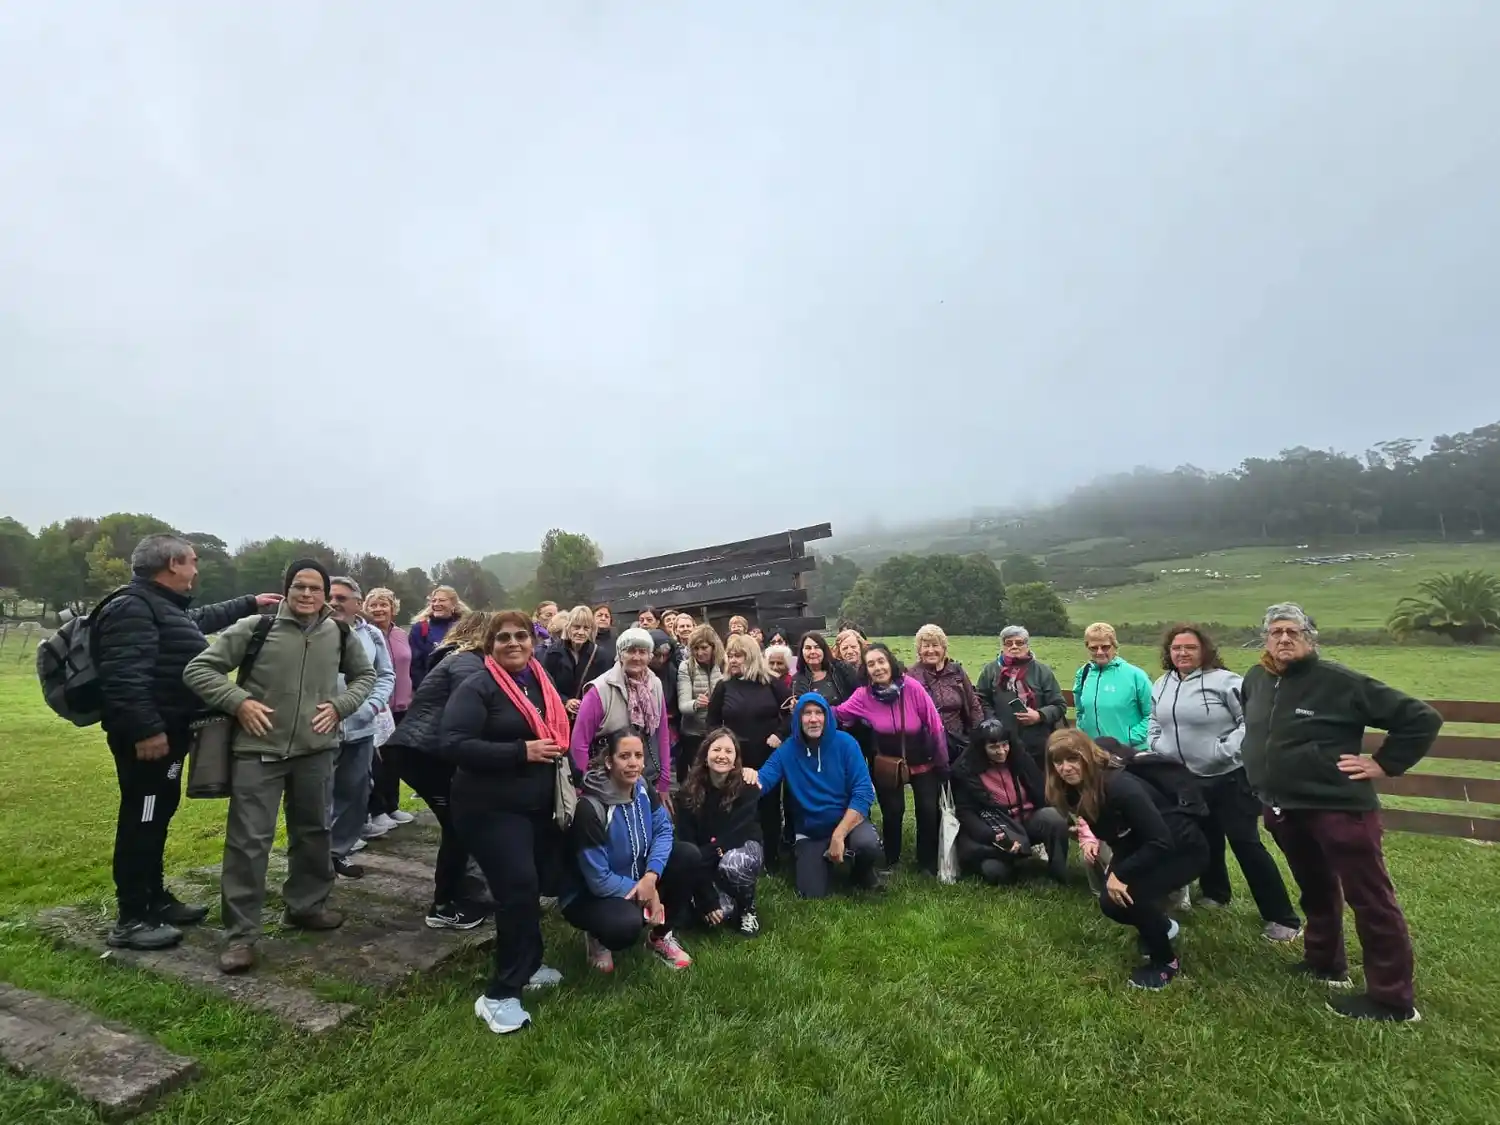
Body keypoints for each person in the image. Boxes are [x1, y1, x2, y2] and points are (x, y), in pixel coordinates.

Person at [1242, 603, 1441, 1022]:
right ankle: (1325, 964)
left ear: (1309, 637)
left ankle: (1392, 999)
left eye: (1292, 632)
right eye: (1275, 632)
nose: (1283, 639)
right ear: (1265, 639)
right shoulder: (1256, 679)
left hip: (1338, 808)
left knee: (1370, 900)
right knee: (1315, 889)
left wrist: (1385, 763)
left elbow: (1420, 718)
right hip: (1283, 806)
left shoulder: (1339, 682)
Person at [183, 559, 376, 975]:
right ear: (286, 589)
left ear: (326, 594)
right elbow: (199, 668)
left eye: (315, 588)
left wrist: (341, 707)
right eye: (299, 587)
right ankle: (241, 936)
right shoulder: (257, 627)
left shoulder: (339, 632)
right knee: (248, 844)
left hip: (316, 751)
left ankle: (306, 907)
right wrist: (240, 702)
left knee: (314, 832)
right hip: (258, 752)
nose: (307, 595)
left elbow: (366, 676)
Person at [92, 533, 278, 950]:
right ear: (173, 564)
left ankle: (154, 898)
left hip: (169, 734)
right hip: (149, 739)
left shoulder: (160, 606)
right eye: (192, 561)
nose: (196, 568)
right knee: (142, 819)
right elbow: (123, 677)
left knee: (156, 816)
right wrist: (146, 730)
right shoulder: (133, 608)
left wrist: (250, 604)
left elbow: (196, 623)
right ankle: (132, 916)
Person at [440, 609, 572, 1034]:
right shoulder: (478, 686)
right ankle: (500, 994)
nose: (513, 643)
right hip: (488, 808)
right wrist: (521, 752)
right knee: (517, 889)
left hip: (533, 805)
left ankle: (529, 965)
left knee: (532, 884)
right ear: (489, 646)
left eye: (521, 636)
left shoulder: (538, 681)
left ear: (533, 643)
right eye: (503, 638)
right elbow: (453, 744)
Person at [1148, 624, 1300, 941]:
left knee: (1245, 844)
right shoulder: (1161, 684)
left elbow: (1252, 721)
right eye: (1177, 648)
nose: (1182, 653)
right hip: (1187, 779)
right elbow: (1154, 721)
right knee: (1205, 839)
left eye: (1190, 647)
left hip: (1229, 777)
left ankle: (1282, 918)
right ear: (1168, 652)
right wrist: (1157, 746)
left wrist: (1225, 751)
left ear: (1204, 650)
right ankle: (1216, 893)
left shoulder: (1226, 681)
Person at [1046, 729, 1208, 990]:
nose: (1065, 768)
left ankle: (1166, 962)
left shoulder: (1120, 787)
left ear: (1086, 756)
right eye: (1058, 762)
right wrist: (1117, 869)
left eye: (1072, 759)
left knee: (1130, 895)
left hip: (1183, 850)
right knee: (1111, 902)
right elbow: (1120, 835)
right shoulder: (1076, 790)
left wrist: (1122, 875)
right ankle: (1163, 926)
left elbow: (1160, 840)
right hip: (1143, 845)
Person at [388, 610, 493, 927]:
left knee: (459, 826)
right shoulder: (466, 662)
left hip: (426, 751)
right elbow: (475, 701)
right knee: (459, 827)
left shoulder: (457, 656)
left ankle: (456, 897)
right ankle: (446, 905)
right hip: (424, 754)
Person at [563, 730, 696, 973]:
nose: (633, 763)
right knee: (624, 927)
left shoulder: (643, 787)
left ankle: (659, 936)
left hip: (640, 876)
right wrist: (648, 894)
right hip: (590, 895)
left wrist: (651, 877)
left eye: (638, 755)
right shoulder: (590, 808)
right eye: (624, 756)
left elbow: (664, 831)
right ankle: (597, 937)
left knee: (688, 856)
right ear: (609, 761)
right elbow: (598, 880)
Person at [744, 695, 883, 898]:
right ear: (798, 719)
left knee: (867, 844)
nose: (813, 719)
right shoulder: (788, 750)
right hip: (810, 829)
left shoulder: (846, 744)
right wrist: (746, 776)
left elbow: (864, 792)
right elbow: (763, 781)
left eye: (819, 713)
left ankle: (861, 872)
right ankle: (820, 857)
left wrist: (839, 834)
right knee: (811, 893)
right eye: (806, 713)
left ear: (827, 717)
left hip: (847, 822)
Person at [834, 644, 949, 875]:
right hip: (888, 763)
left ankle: (926, 862)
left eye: (881, 661)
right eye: (871, 664)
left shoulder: (913, 687)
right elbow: (838, 713)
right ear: (866, 671)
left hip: (923, 759)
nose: (878, 668)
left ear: (890, 663)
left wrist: (942, 762)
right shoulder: (862, 696)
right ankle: (892, 859)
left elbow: (935, 725)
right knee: (893, 811)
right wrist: (809, 709)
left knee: (928, 811)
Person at [325, 579, 396, 877]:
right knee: (318, 797)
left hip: (360, 728)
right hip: (317, 729)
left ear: (357, 603)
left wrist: (370, 707)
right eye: (329, 596)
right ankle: (313, 860)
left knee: (355, 793)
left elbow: (385, 675)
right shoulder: (310, 630)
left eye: (342, 597)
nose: (334, 602)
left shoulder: (373, 635)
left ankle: (337, 852)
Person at [707, 635, 794, 866]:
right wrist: (724, 745)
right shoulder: (724, 686)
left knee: (770, 806)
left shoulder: (772, 683)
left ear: (752, 656)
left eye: (738, 655)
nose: (733, 660)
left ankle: (772, 857)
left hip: (768, 757)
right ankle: (735, 855)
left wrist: (780, 734)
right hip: (736, 759)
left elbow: (791, 712)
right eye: (730, 655)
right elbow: (712, 723)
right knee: (738, 807)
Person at [952, 718, 1069, 885]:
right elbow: (966, 813)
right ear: (981, 748)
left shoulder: (1020, 760)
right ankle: (1012, 862)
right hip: (995, 829)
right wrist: (993, 836)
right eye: (993, 747)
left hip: (1027, 820)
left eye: (1004, 744)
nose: (1001, 751)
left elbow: (1042, 793)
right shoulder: (967, 772)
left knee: (1053, 818)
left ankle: (1058, 873)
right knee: (995, 873)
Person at [675, 728, 765, 936]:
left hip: (739, 849)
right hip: (705, 857)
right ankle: (721, 896)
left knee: (733, 864)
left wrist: (709, 852)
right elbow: (687, 845)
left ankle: (746, 908)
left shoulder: (748, 787)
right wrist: (707, 896)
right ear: (705, 756)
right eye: (716, 749)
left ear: (735, 760)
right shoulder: (686, 794)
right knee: (713, 913)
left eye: (728, 751)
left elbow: (737, 833)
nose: (722, 755)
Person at [568, 628, 673, 795]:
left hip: (646, 777)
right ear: (620, 654)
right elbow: (579, 742)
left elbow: (662, 734)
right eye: (630, 651)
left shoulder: (655, 685)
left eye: (642, 652)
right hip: (605, 780)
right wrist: (582, 787)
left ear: (650, 656)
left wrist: (664, 782)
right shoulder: (600, 690)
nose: (637, 657)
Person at [975, 626, 1068, 771]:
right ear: (1003, 646)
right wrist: (994, 723)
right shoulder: (991, 670)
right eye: (1009, 643)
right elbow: (982, 700)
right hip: (1003, 744)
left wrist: (1039, 715)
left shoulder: (1042, 671)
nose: (1014, 647)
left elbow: (1059, 705)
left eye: (1019, 643)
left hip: (1037, 743)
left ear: (1027, 645)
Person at [363, 588, 415, 832]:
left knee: (395, 760)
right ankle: (377, 810)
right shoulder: (363, 634)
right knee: (375, 763)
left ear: (393, 608)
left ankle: (392, 805)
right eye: (373, 604)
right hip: (376, 707)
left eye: (383, 604)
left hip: (401, 705)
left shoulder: (401, 634)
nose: (378, 609)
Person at [907, 624, 983, 759]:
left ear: (944, 648)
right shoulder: (911, 676)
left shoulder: (956, 672)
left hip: (960, 742)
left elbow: (973, 705)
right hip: (926, 746)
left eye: (935, 645)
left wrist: (978, 736)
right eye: (926, 646)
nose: (931, 650)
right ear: (919, 650)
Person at [1072, 623, 1153, 749]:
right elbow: (1081, 711)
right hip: (1094, 753)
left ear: (1114, 646)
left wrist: (1130, 737)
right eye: (1093, 648)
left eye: (1105, 647)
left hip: (1129, 753)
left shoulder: (1135, 675)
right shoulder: (1083, 673)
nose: (1099, 652)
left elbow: (1153, 715)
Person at [676, 625, 726, 786]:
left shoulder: (724, 664)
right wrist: (696, 703)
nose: (699, 653)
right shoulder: (686, 666)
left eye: (704, 648)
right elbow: (683, 705)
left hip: (719, 731)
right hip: (694, 733)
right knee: (699, 778)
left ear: (713, 646)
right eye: (695, 648)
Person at [541, 605, 602, 715]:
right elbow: (546, 684)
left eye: (586, 628)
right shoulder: (553, 653)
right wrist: (565, 701)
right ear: (568, 627)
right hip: (561, 715)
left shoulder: (600, 654)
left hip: (589, 715)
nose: (581, 632)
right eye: (576, 627)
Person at [410, 585, 468, 690]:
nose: (437, 604)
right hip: (429, 689)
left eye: (442, 600)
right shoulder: (420, 628)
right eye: (434, 601)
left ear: (453, 604)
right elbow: (415, 665)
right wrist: (424, 689)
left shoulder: (465, 627)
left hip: (460, 687)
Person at [790, 631, 857, 706]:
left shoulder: (842, 669)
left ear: (824, 650)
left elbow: (858, 695)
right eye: (808, 648)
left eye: (817, 647)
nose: (812, 651)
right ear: (801, 652)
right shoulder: (796, 682)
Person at [592, 605, 618, 669]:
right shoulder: (586, 640)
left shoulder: (617, 642)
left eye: (607, 616)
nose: (603, 618)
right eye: (599, 615)